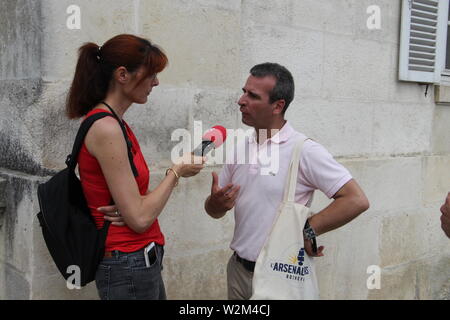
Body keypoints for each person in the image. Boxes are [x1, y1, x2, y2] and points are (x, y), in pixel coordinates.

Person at [204, 62, 370, 300]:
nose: (241, 100)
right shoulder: (240, 146)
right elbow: (213, 211)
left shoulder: (303, 150)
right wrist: (216, 204)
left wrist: (307, 230)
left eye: (252, 95)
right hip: (238, 271)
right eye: (244, 91)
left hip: (280, 277)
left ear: (278, 106)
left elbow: (356, 199)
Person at [66, 34, 205, 300]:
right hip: (126, 263)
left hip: (136, 260)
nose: (156, 82)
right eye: (151, 74)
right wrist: (176, 172)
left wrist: (136, 204)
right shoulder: (106, 128)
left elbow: (136, 210)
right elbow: (140, 218)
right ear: (122, 75)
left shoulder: (115, 123)